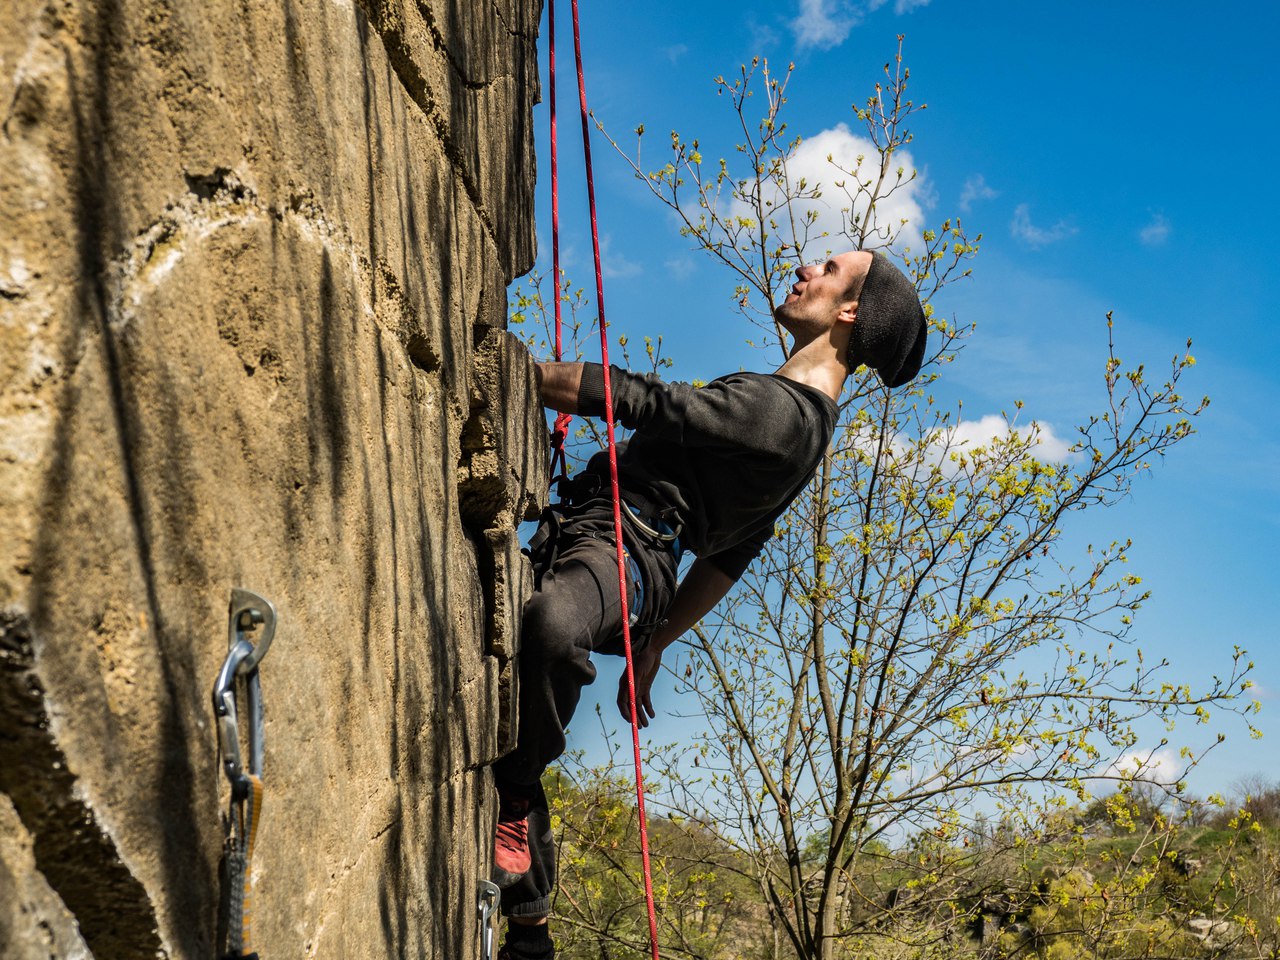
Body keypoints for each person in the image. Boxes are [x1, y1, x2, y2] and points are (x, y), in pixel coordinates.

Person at [490, 249, 927, 960]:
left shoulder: (782, 413)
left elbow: (647, 403)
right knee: (510, 666)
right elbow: (733, 553)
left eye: (828, 267)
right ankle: (532, 923)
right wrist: (659, 640)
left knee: (549, 627)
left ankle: (512, 802)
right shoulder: (810, 423)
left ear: (851, 311)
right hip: (604, 539)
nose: (803, 268)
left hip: (623, 553)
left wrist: (515, 374)